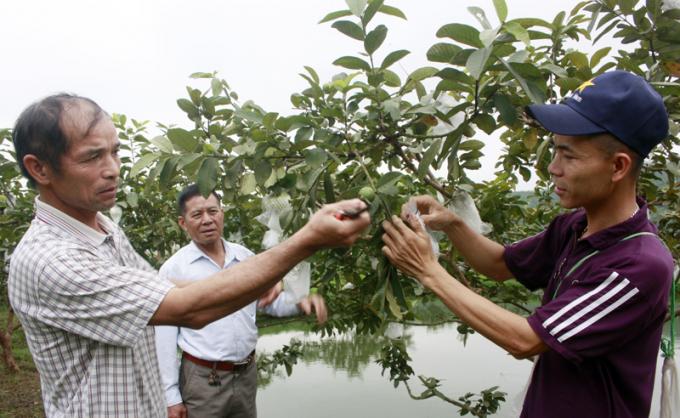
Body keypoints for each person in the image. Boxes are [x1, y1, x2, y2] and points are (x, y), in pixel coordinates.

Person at [8, 94, 369, 417]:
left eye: (115, 152)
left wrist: (250, 287)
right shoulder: (51, 259)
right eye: (92, 157)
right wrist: (308, 240)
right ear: (40, 168)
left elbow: (158, 287)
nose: (113, 169)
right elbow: (185, 309)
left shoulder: (103, 228)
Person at [381, 70, 674, 418]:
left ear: (617, 166)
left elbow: (527, 340)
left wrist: (428, 271)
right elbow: (500, 265)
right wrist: (453, 225)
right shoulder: (574, 226)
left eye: (569, 156)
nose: (553, 168)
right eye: (554, 151)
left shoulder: (639, 265)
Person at [155, 184, 328, 418]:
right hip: (203, 379)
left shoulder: (245, 258)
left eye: (212, 211)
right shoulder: (174, 270)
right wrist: (171, 396)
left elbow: (267, 301)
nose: (207, 220)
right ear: (183, 223)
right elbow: (164, 340)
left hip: (246, 374)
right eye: (197, 214)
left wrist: (299, 302)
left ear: (222, 213)